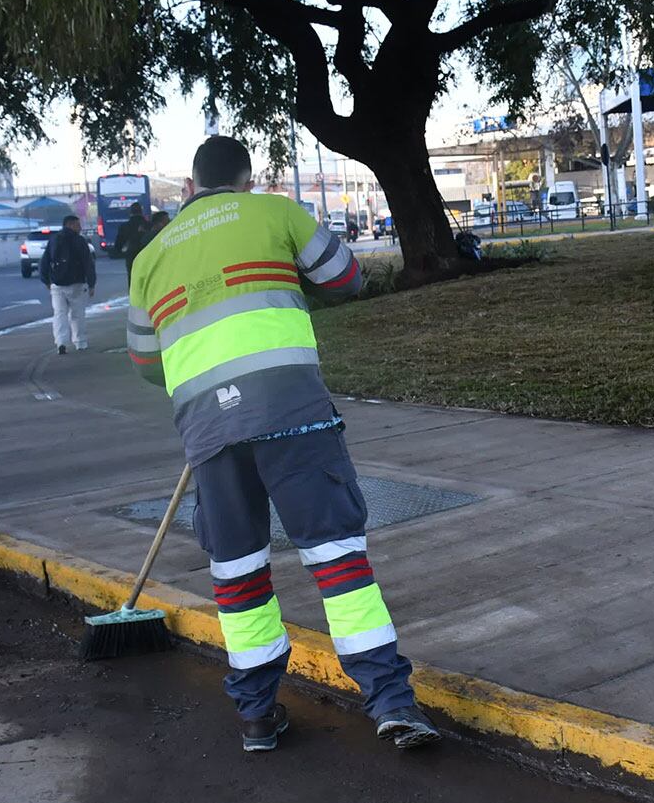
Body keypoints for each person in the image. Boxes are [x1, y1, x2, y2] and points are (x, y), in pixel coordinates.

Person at [126, 135, 438, 753]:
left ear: (189, 189)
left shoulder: (150, 257)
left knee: (238, 576)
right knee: (337, 559)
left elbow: (143, 362)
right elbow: (346, 279)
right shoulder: (274, 211)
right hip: (292, 415)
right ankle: (391, 705)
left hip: (209, 434)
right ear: (246, 180)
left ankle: (257, 718)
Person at [39, 214, 96, 354]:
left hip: (57, 285)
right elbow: (88, 263)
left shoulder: (53, 240)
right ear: (70, 225)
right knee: (77, 314)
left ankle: (61, 343)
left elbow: (44, 261)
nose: (80, 228)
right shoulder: (79, 241)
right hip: (77, 284)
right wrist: (91, 283)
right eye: (78, 225)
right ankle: (80, 342)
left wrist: (46, 280)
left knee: (59, 314)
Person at [111, 201, 149, 275]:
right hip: (147, 255)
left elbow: (119, 244)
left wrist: (119, 252)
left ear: (130, 212)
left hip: (132, 255)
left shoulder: (125, 226)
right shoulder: (148, 225)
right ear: (141, 212)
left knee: (132, 276)